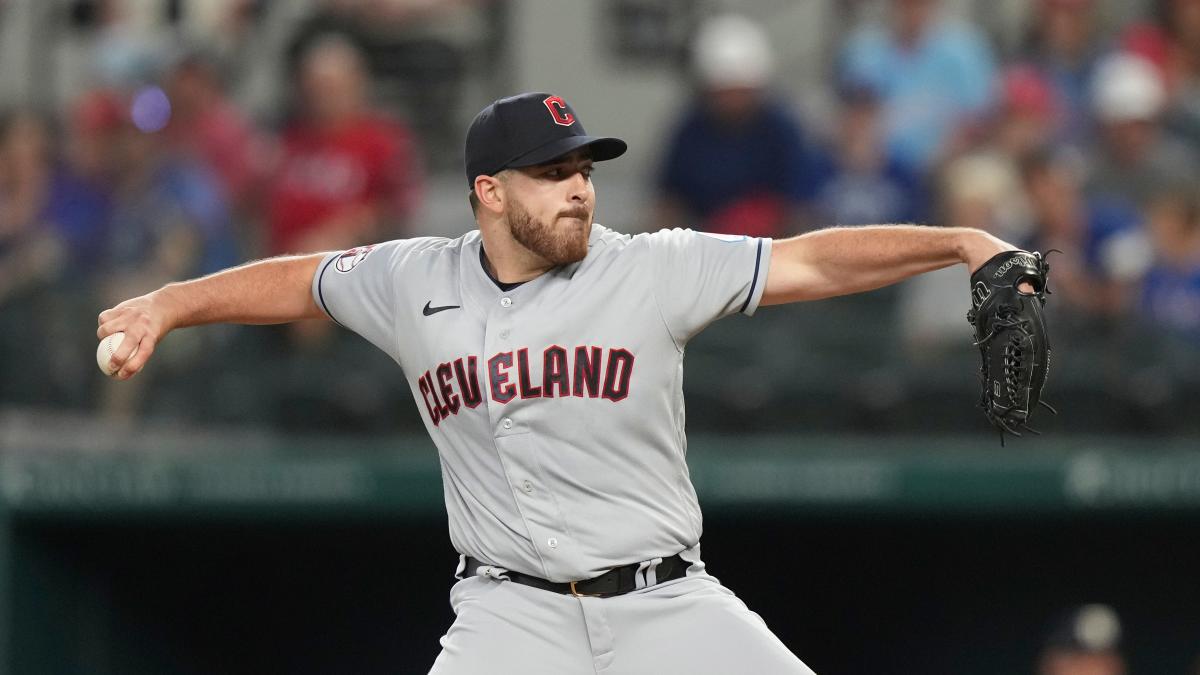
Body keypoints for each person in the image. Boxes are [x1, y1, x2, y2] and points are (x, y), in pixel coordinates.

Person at [97, 92, 1024, 674]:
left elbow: (810, 262)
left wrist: (958, 243)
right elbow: (298, 281)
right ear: (490, 192)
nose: (579, 188)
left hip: (666, 604)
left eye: (584, 169)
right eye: (552, 173)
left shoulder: (650, 266)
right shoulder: (412, 276)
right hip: (510, 614)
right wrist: (169, 304)